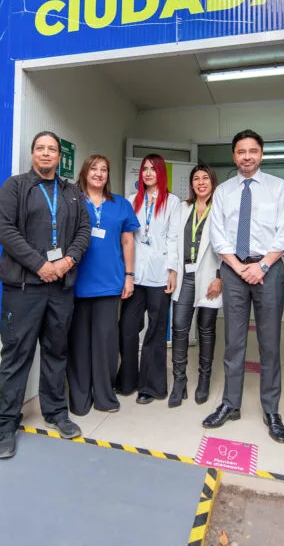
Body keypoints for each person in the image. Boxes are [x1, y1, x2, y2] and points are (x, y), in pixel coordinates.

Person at [0, 131, 91, 459]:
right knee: (17, 355)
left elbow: (83, 231)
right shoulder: (15, 187)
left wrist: (68, 260)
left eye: (52, 150)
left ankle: (56, 413)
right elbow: (4, 230)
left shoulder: (71, 192)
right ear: (33, 154)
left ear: (59, 157)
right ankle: (6, 425)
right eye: (40, 149)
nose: (46, 154)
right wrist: (39, 265)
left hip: (60, 289)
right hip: (23, 288)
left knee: (56, 352)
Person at [203, 130, 284, 443]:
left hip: (268, 269)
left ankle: (271, 409)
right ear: (233, 156)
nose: (247, 157)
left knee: (269, 343)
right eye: (241, 151)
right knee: (234, 342)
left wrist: (262, 266)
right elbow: (218, 235)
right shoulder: (224, 191)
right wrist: (239, 267)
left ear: (261, 154)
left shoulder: (278, 187)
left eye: (253, 151)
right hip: (233, 269)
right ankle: (230, 403)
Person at [67, 155, 139, 416]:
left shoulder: (120, 204)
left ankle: (104, 395)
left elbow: (128, 242)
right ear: (85, 172)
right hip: (75, 283)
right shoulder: (72, 200)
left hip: (110, 282)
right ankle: (79, 397)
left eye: (104, 169)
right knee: (78, 343)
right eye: (94, 169)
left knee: (106, 343)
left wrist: (129, 276)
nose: (99, 173)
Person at [117, 154, 180, 404]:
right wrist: (126, 273)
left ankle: (150, 386)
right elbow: (127, 237)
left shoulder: (172, 202)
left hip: (160, 273)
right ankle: (128, 380)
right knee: (128, 327)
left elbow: (174, 237)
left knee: (155, 330)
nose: (148, 173)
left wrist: (172, 270)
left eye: (153, 169)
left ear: (161, 173)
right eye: (144, 169)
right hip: (136, 273)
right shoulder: (133, 200)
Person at [168, 164, 223, 407]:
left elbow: (227, 245)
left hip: (210, 276)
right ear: (191, 184)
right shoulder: (182, 208)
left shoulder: (220, 209)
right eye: (196, 179)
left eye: (205, 178)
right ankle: (179, 381)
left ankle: (204, 380)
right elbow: (172, 240)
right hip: (184, 276)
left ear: (212, 182)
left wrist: (220, 277)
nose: (201, 182)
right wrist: (172, 270)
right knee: (179, 326)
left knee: (206, 329)